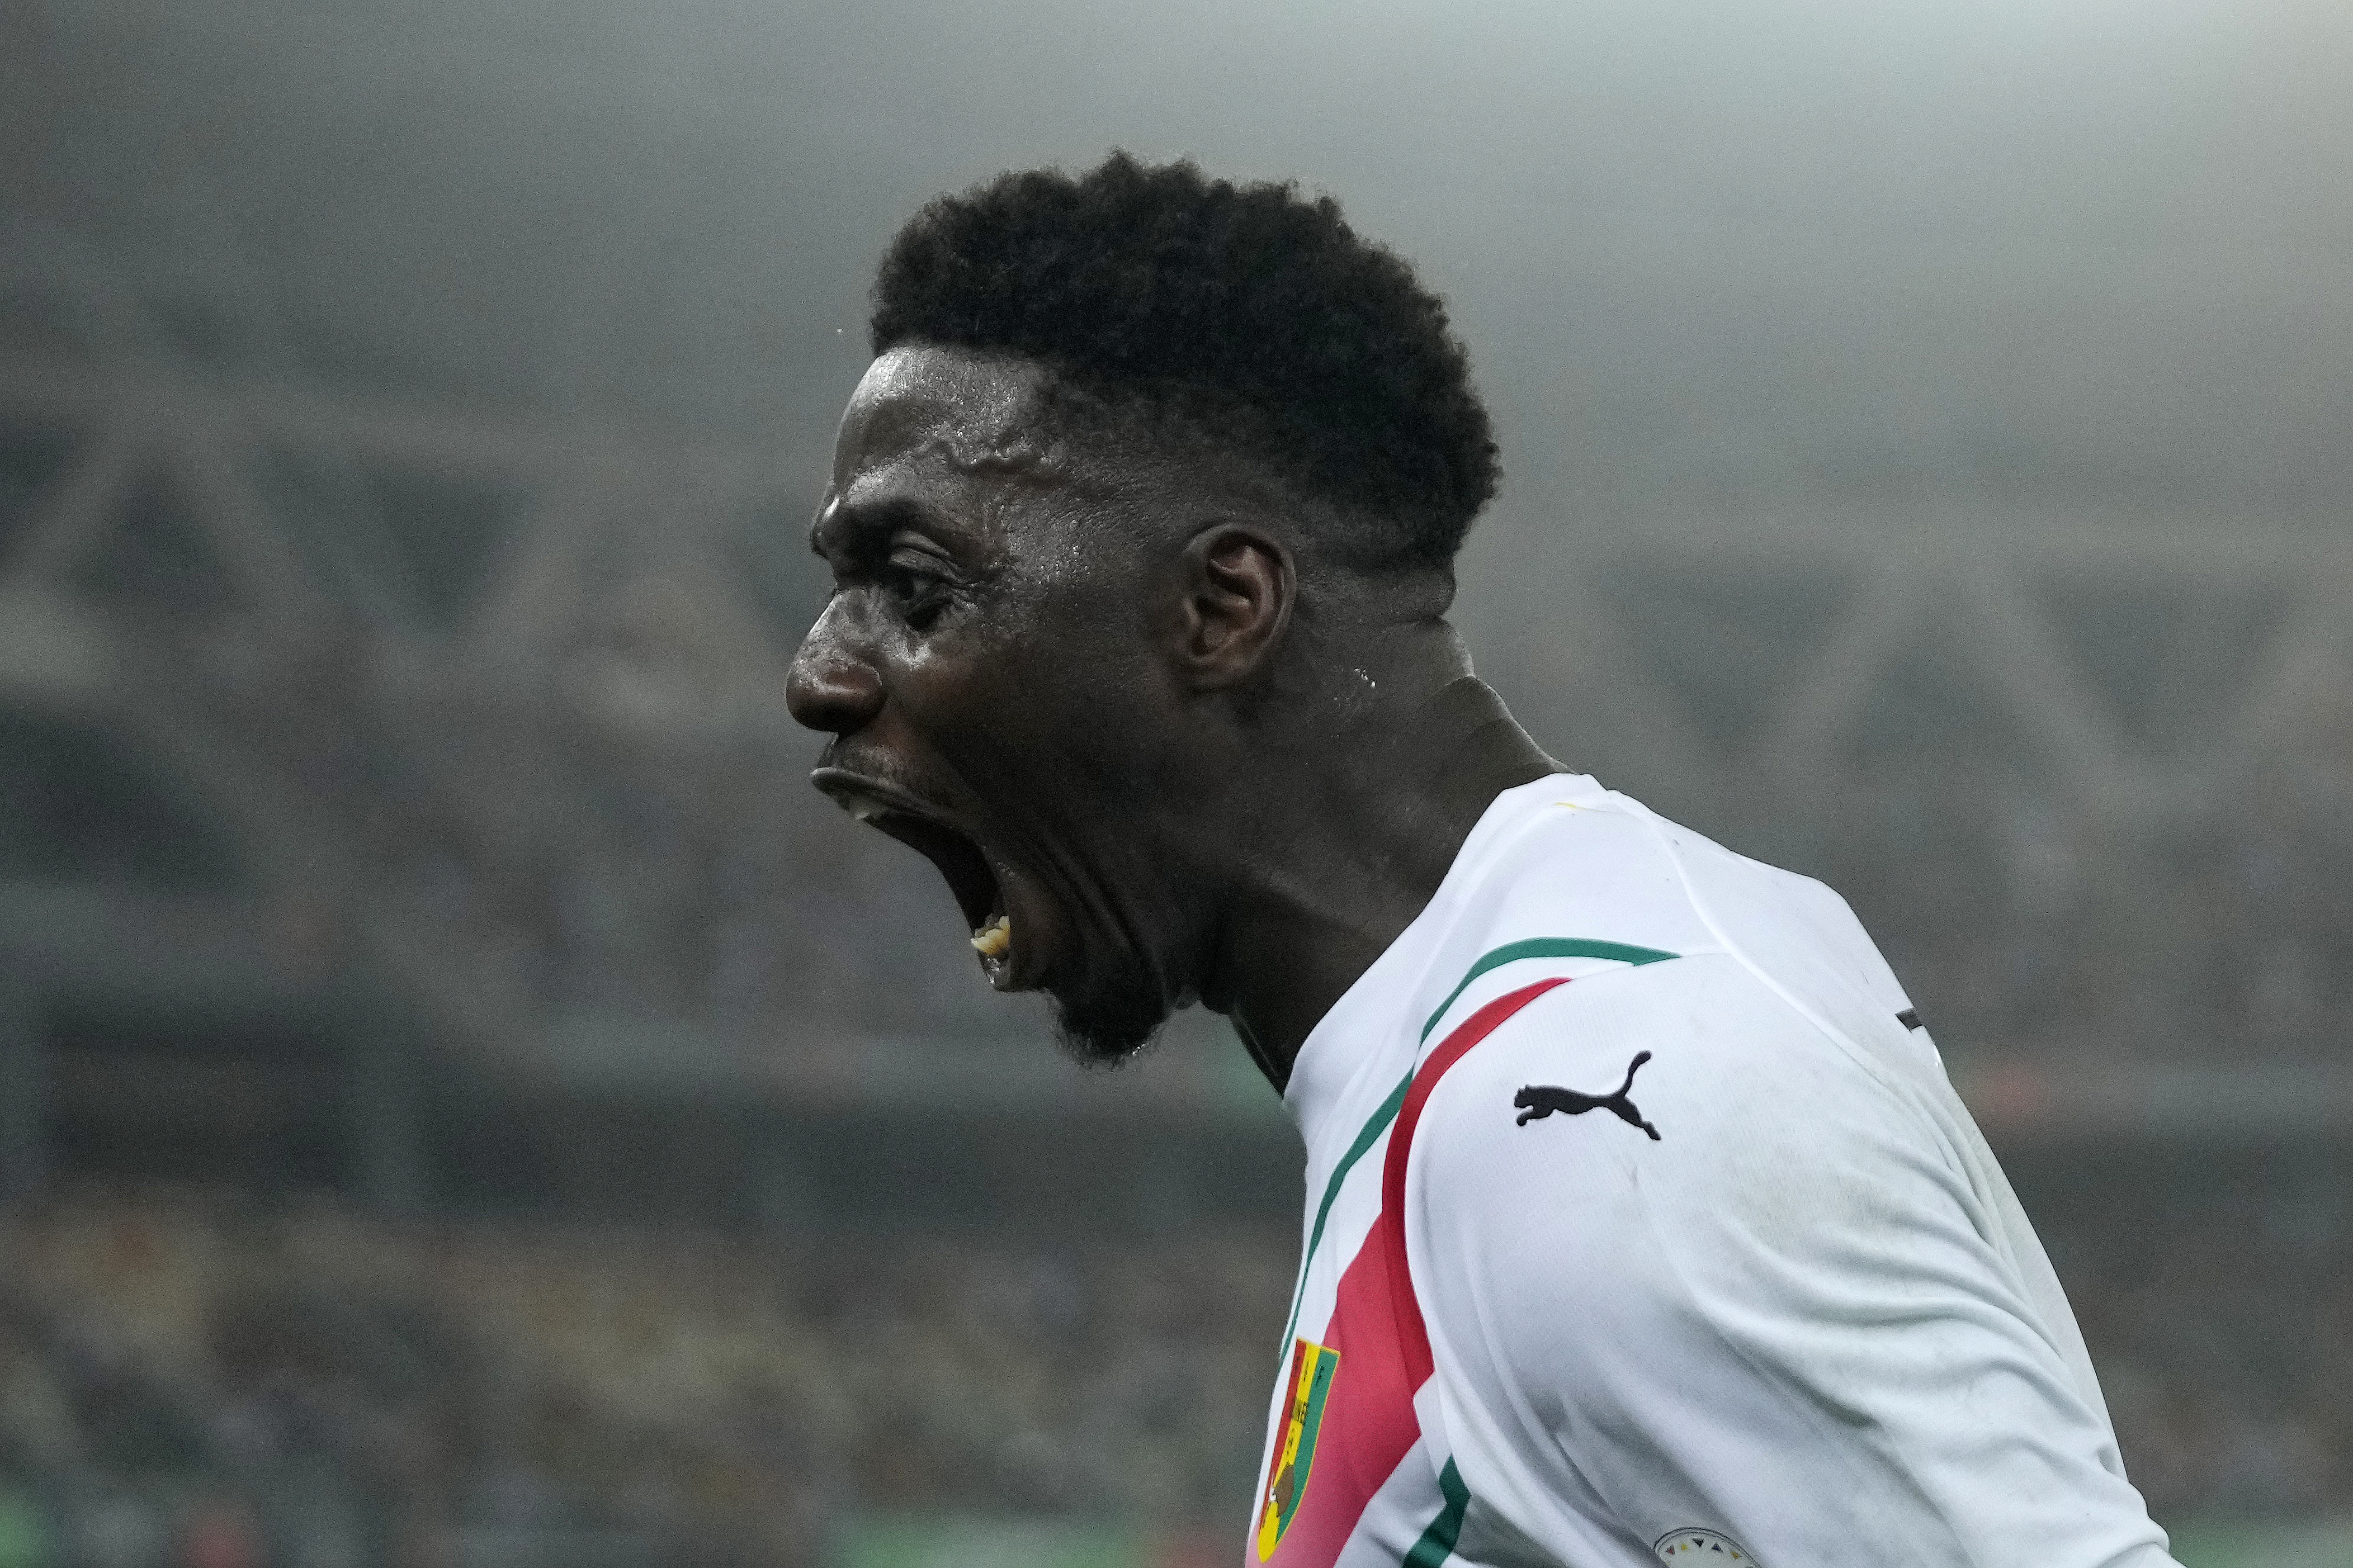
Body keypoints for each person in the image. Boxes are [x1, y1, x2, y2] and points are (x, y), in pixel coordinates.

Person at [785, 153, 2177, 1568]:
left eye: (914, 588)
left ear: (1220, 608)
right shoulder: (1472, 1063)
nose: (818, 676)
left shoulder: (1610, 1097)